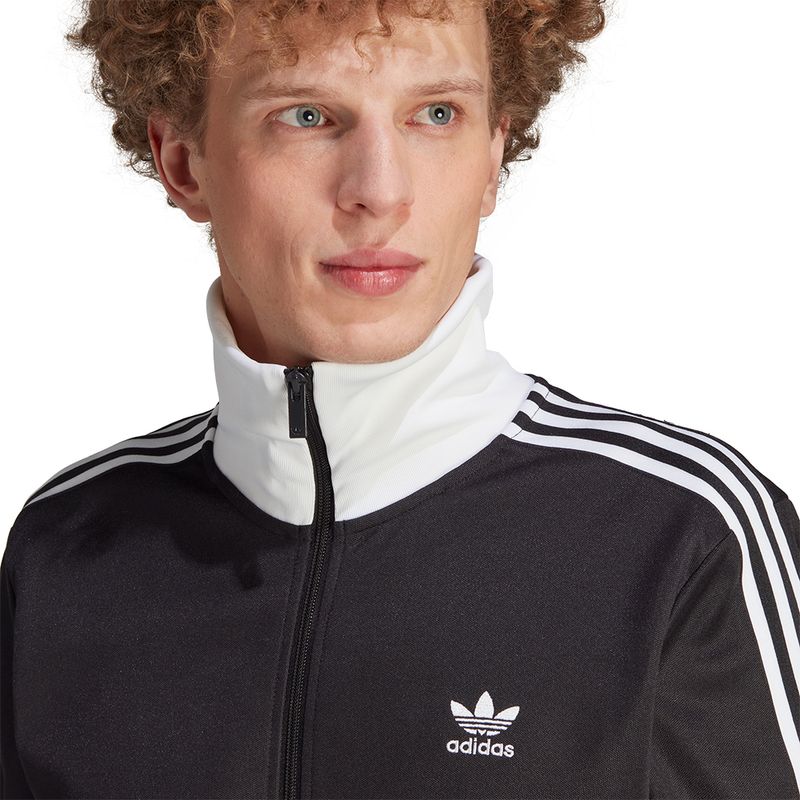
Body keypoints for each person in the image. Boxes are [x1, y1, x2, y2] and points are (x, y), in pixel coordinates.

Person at [2, 0, 798, 798]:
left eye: (437, 114)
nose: (380, 192)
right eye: (307, 116)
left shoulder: (683, 535)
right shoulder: (65, 549)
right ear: (182, 162)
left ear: (493, 155)